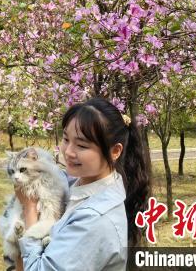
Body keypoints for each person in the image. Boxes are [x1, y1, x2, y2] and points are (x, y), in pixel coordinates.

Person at [16, 98, 150, 271]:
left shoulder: (95, 220)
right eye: (66, 139)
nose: (68, 152)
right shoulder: (84, 183)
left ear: (115, 151)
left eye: (81, 145)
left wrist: (29, 208)